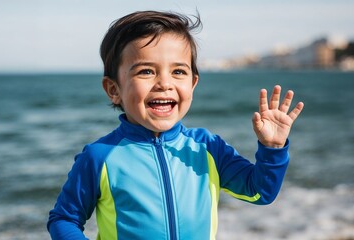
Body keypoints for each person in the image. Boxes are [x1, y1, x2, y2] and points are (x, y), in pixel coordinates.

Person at [47, 10, 304, 240]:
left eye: (178, 72)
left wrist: (272, 147)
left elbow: (260, 192)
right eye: (146, 71)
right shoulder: (100, 156)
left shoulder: (207, 148)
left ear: (192, 84)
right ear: (114, 89)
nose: (164, 83)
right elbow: (64, 219)